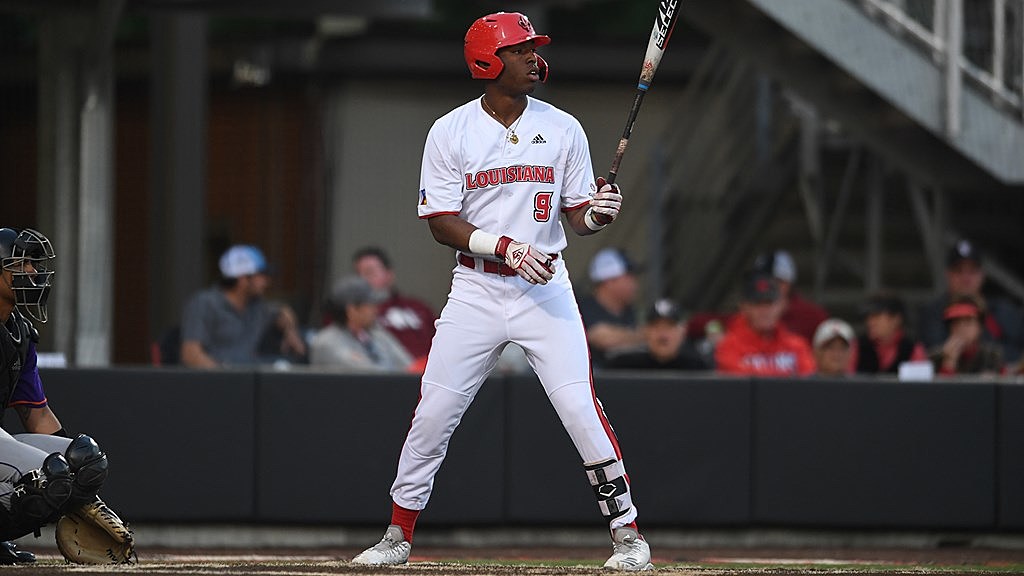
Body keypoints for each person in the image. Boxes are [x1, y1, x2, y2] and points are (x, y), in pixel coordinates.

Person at [351, 12, 653, 571]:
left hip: (547, 289)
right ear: (487, 62)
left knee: (580, 409)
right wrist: (506, 247)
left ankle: (628, 536)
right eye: (519, 50)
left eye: (533, 48)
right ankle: (398, 534)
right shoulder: (450, 130)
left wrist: (597, 214)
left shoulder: (564, 127)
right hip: (477, 288)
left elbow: (577, 215)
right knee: (435, 412)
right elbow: (441, 221)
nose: (533, 58)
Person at [0, 228, 132, 563]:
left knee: (85, 462)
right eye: (20, 264)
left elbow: (37, 414)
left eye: (33, 263)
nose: (31, 272)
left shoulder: (20, 333)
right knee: (49, 476)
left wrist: (79, 495)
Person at [180, 244, 307, 368]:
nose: (266, 281)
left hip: (250, 382)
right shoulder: (205, 303)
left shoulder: (256, 306)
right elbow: (191, 354)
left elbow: (283, 312)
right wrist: (225, 377)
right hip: (214, 383)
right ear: (243, 279)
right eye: (261, 274)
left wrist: (290, 329)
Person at [918, 239, 1023, 364]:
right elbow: (928, 354)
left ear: (982, 275)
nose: (966, 278)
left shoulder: (1002, 309)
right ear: (948, 274)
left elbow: (1017, 353)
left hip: (998, 379)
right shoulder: (933, 312)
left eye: (972, 271)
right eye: (959, 271)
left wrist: (980, 348)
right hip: (949, 379)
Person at [714, 272, 816, 376]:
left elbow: (808, 381)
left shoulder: (797, 346)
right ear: (744, 307)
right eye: (757, 304)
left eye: (769, 303)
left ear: (782, 305)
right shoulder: (729, 346)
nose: (764, 311)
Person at [352, 247, 438, 365]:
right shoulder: (355, 313)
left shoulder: (418, 307)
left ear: (389, 275)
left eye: (369, 273)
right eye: (358, 275)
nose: (363, 280)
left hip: (430, 371)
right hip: (391, 376)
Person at [309, 275, 414, 372]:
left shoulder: (377, 334)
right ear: (352, 310)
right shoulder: (326, 342)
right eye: (370, 305)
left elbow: (411, 367)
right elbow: (371, 376)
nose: (376, 310)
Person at [577, 247, 644, 369]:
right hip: (590, 378)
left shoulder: (628, 310)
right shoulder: (585, 307)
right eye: (629, 277)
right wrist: (645, 335)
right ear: (609, 281)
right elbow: (602, 338)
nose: (635, 284)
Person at [605, 298, 709, 371]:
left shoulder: (697, 367)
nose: (663, 334)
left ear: (682, 331)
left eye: (669, 327)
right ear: (645, 331)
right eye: (656, 327)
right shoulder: (623, 366)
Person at [752, 250, 829, 343]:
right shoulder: (745, 316)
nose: (767, 287)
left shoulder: (812, 317)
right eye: (762, 282)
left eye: (776, 281)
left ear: (788, 283)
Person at [929, 295, 1006, 376]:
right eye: (956, 323)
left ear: (979, 327)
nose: (961, 328)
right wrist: (948, 365)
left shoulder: (993, 357)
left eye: (968, 322)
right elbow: (938, 388)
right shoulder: (934, 359)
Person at [852, 292, 927, 374]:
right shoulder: (856, 346)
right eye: (868, 317)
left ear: (896, 319)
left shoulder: (913, 350)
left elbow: (919, 385)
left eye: (876, 316)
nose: (870, 322)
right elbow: (845, 381)